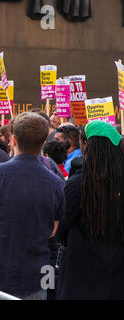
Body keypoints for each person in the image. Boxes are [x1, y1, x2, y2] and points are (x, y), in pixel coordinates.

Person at [0, 112, 65, 300]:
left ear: (13, 139)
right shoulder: (54, 182)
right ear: (44, 142)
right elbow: (52, 230)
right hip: (34, 275)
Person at [57, 121, 124, 299]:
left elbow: (61, 226)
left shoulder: (79, 183)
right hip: (116, 276)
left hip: (81, 274)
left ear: (86, 145)